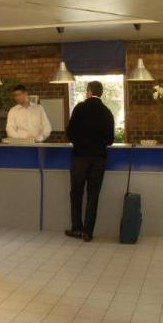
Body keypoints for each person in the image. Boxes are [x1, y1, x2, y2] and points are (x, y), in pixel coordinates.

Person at [65, 80, 115, 242]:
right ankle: (88, 232)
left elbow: (70, 132)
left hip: (80, 157)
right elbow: (110, 139)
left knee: (76, 193)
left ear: (89, 92)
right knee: (93, 195)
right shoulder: (107, 112)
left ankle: (76, 228)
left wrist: (80, 141)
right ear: (100, 93)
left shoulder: (80, 108)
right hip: (99, 158)